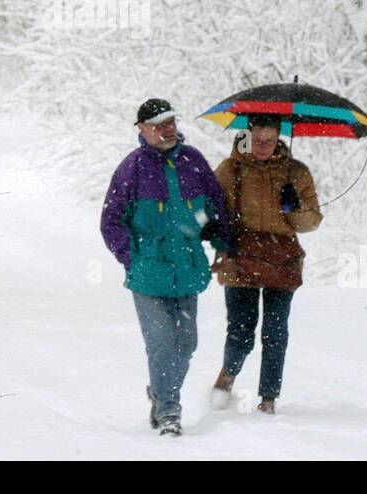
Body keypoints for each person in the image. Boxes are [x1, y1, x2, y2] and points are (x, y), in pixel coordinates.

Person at [101, 98, 233, 436]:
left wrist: (215, 238)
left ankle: (159, 392)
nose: (168, 128)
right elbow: (111, 220)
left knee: (186, 344)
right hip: (148, 273)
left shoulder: (194, 162)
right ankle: (168, 411)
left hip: (187, 269)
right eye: (159, 124)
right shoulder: (131, 168)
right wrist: (133, 257)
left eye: (171, 121)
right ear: (142, 130)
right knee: (161, 342)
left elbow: (214, 208)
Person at [210, 113, 322, 415]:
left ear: (279, 138)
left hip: (282, 260)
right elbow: (211, 210)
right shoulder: (230, 169)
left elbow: (312, 222)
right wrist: (211, 232)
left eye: (270, 140)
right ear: (247, 135)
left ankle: (269, 398)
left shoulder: (296, 173)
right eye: (258, 139)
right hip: (240, 258)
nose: (263, 146)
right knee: (241, 331)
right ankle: (227, 377)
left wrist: (294, 206)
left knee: (276, 331)